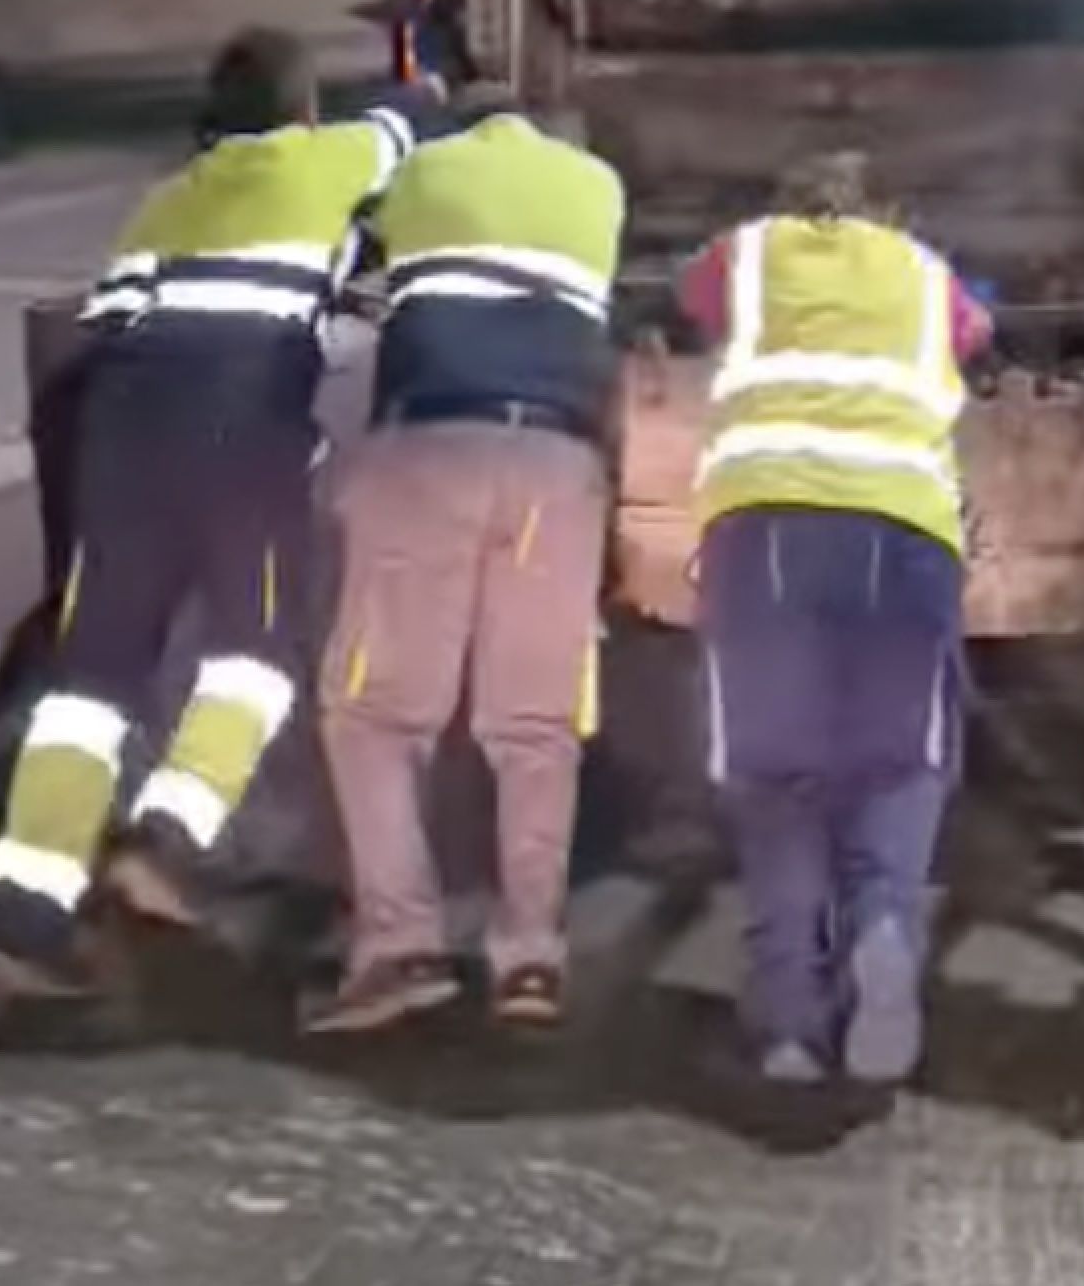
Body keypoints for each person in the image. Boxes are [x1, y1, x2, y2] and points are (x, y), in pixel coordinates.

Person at [0, 28, 424, 998]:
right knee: (252, 662)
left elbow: (116, 326)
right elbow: (407, 126)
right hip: (236, 438)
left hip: (121, 441)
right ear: (301, 108)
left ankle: (21, 903)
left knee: (93, 680)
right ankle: (164, 847)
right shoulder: (325, 157)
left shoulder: (163, 200)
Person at [307, 84, 629, 1035]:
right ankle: (529, 960)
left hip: (432, 451)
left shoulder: (422, 173)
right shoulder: (597, 188)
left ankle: (400, 945)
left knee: (372, 715)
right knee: (535, 727)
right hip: (558, 469)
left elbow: (344, 245)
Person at [676, 151, 992, 1085]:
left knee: (775, 774)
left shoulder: (744, 255)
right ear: (882, 214)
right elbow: (976, 331)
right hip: (904, 538)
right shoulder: (930, 277)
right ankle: (885, 928)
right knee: (898, 762)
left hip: (766, 533)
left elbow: (693, 300)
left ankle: (786, 1023)